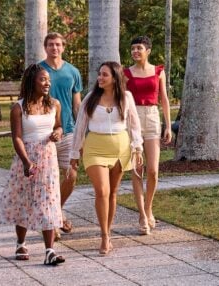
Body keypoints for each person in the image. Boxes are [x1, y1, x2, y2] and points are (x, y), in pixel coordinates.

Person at [0, 65, 66, 266]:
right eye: (43, 79)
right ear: (32, 81)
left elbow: (59, 125)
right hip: (26, 158)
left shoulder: (54, 104)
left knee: (49, 201)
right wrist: (27, 162)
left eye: (48, 80)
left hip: (48, 158)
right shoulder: (18, 107)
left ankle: (49, 251)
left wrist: (58, 132)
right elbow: (17, 137)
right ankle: (20, 243)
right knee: (24, 200)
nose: (47, 83)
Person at [70, 62, 143, 255]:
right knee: (102, 191)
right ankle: (103, 236)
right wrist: (74, 153)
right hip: (95, 148)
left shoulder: (126, 98)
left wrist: (138, 147)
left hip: (121, 148)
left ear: (115, 78)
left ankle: (108, 233)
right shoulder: (90, 98)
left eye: (105, 75)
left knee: (112, 193)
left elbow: (134, 125)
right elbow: (79, 126)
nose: (100, 78)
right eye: (99, 74)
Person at [124, 36, 173, 235]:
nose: (135, 51)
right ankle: (142, 215)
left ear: (148, 51)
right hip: (132, 117)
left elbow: (164, 99)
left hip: (152, 117)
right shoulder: (125, 73)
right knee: (137, 168)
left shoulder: (158, 72)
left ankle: (149, 207)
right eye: (133, 48)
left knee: (153, 169)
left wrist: (168, 126)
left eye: (139, 48)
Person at [38, 32, 84, 234]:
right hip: (44, 134)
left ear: (63, 47)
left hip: (68, 132)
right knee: (49, 178)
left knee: (71, 175)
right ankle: (53, 220)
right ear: (45, 47)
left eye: (57, 44)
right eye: (50, 44)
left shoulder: (73, 72)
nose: (54, 48)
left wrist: (81, 132)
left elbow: (77, 105)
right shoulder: (38, 70)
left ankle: (57, 211)